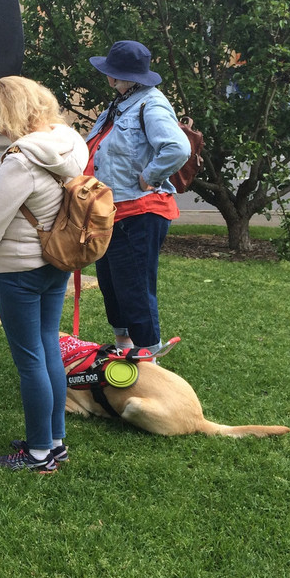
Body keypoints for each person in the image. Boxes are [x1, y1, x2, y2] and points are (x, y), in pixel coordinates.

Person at [0, 76, 88, 472]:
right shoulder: (69, 143)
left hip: (20, 269)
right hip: (56, 261)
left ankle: (38, 453)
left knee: (30, 359)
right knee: (48, 346)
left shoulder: (20, 160)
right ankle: (54, 442)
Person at [84, 40, 191, 353]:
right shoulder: (121, 103)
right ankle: (125, 347)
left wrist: (150, 177)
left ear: (118, 76)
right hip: (111, 213)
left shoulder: (151, 104)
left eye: (109, 72)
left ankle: (149, 358)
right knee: (111, 284)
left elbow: (178, 148)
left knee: (135, 289)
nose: (106, 77)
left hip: (139, 214)